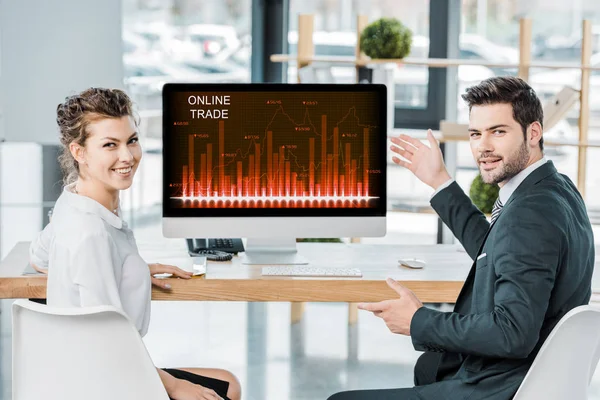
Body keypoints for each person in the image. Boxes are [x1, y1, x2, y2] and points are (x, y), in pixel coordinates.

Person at [328, 76, 595, 400]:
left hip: (504, 386)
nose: (483, 146)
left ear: (533, 132)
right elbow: (499, 245)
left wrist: (418, 321)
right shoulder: (555, 189)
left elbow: (513, 334)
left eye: (498, 131)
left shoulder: (529, 215)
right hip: (532, 372)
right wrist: (440, 182)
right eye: (475, 134)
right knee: (431, 366)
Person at [29, 87, 241, 400]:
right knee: (222, 392)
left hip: (85, 367)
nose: (127, 156)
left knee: (227, 381)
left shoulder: (72, 200)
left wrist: (127, 269)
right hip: (106, 379)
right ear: (79, 152)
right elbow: (107, 339)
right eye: (109, 145)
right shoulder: (91, 233)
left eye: (132, 140)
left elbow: (39, 257)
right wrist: (173, 385)